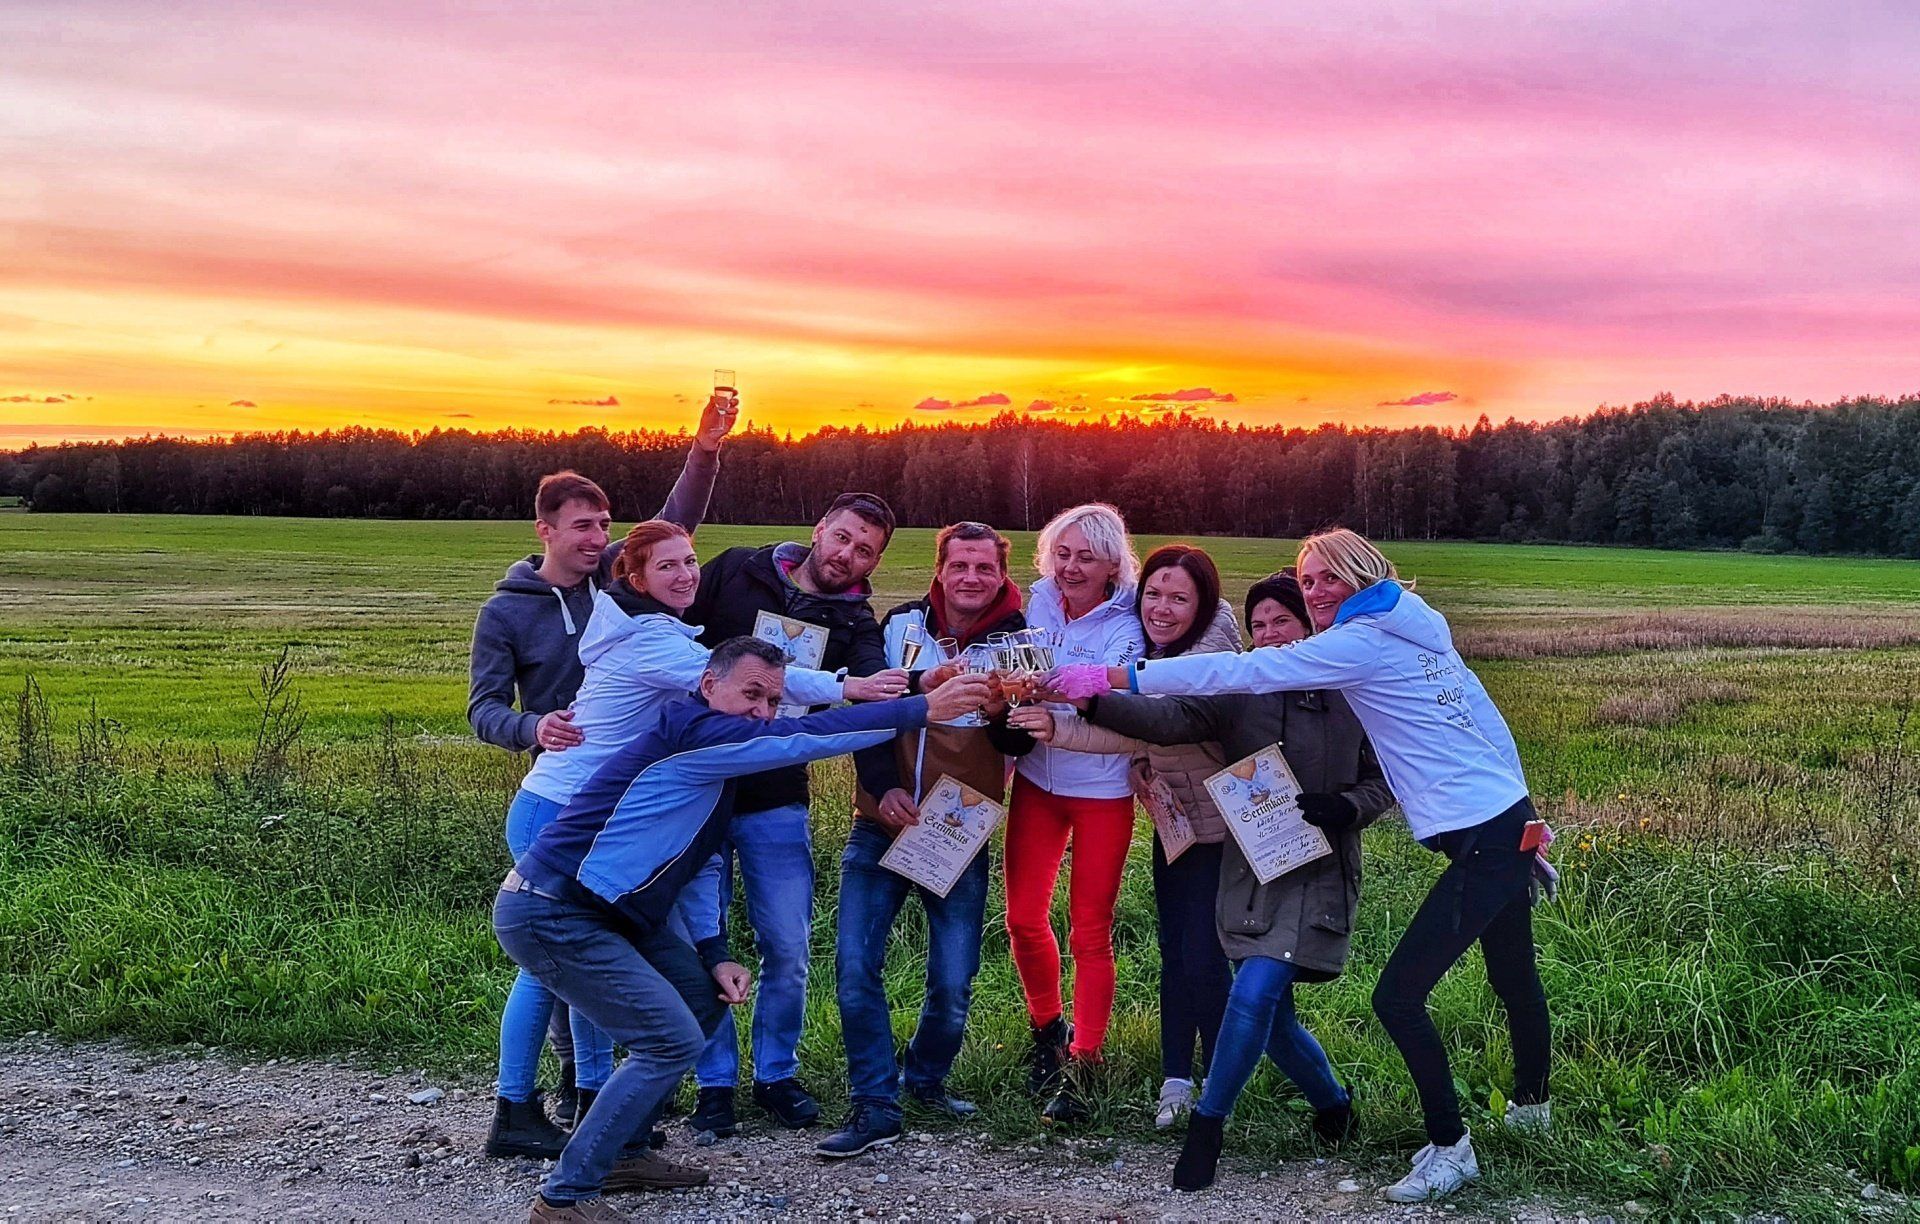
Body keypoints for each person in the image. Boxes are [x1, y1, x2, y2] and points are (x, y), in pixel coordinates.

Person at [1050, 529, 1551, 1204]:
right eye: (1307, 579)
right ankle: (1532, 1107)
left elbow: (1241, 671)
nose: (1315, 592)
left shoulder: (1361, 642)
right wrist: (1526, 813)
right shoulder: (1416, 625)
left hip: (1488, 833)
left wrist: (1119, 675)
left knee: (1399, 998)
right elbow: (1482, 719)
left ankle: (1450, 1148)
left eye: (1327, 579)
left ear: (1360, 574)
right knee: (1512, 970)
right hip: (1498, 824)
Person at [497, 637, 991, 1224]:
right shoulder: (693, 733)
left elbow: (697, 865)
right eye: (751, 694)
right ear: (709, 685)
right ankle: (564, 1198)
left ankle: (623, 1151)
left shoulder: (717, 765)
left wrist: (713, 952)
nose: (762, 711)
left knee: (701, 998)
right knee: (668, 1041)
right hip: (554, 909)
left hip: (609, 911)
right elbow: (803, 737)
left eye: (773, 701)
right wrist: (919, 709)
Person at [493, 518, 903, 1176]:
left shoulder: (830, 626)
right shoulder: (670, 649)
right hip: (571, 829)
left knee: (703, 973)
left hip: (653, 835)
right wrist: (860, 692)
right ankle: (561, 1124)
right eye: (669, 566)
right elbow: (778, 717)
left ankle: (614, 1116)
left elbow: (703, 853)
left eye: (690, 561)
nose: (686, 574)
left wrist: (713, 953)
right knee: (571, 978)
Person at [1061, 569, 1395, 1190]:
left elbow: (1385, 780)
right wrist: (1094, 698)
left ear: (1311, 627)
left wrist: (1347, 807)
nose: (1269, 635)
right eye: (1258, 624)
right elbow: (1171, 718)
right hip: (1254, 868)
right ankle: (1334, 1105)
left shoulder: (1356, 691)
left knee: (1252, 992)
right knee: (1275, 1021)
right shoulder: (1242, 690)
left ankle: (1207, 1127)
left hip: (1321, 867)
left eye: (1282, 621)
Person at [469, 393, 735, 1153]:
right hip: (559, 795)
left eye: (604, 525)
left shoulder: (616, 591)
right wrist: (531, 727)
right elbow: (483, 709)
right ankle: (515, 1107)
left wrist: (705, 450)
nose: (597, 538)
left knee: (586, 955)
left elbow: (673, 524)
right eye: (582, 526)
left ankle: (588, 1096)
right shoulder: (507, 612)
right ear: (545, 531)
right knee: (551, 962)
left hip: (613, 802)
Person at [679, 492, 910, 1135]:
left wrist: (884, 785)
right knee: (703, 937)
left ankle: (775, 1073)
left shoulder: (856, 626)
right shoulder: (737, 570)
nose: (847, 555)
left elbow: (870, 709)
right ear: (819, 529)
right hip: (697, 787)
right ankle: (713, 1082)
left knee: (787, 942)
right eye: (843, 537)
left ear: (875, 562)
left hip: (777, 796)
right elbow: (669, 634)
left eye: (865, 550)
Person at [819, 521, 1039, 1158]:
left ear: (1001, 575)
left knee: (953, 977)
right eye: (959, 565)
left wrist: (1002, 715)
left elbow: (1021, 742)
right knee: (856, 967)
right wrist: (882, 785)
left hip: (957, 831)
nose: (971, 578)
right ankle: (874, 1101)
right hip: (879, 823)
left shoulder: (1022, 643)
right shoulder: (897, 626)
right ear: (939, 569)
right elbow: (869, 713)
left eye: (984, 567)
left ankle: (925, 1080)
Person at [1006, 544, 1241, 1131]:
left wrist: (1079, 698)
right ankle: (1168, 1075)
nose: (1161, 607)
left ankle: (1215, 1088)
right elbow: (1140, 733)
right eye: (1154, 594)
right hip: (1169, 816)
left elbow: (1159, 719)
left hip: (1206, 819)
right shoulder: (1045, 607)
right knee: (1174, 951)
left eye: (1179, 597)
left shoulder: (1201, 654)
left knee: (1197, 955)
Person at [1001, 503, 1147, 1125]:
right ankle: (1047, 1030)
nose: (1070, 567)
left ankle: (1086, 1059)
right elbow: (1012, 662)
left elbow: (1112, 690)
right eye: (1062, 554)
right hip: (1038, 779)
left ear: (1113, 564)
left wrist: (1050, 682)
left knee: (1089, 929)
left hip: (1102, 789)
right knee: (1021, 916)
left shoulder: (1128, 620)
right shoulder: (1036, 600)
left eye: (1086, 557)